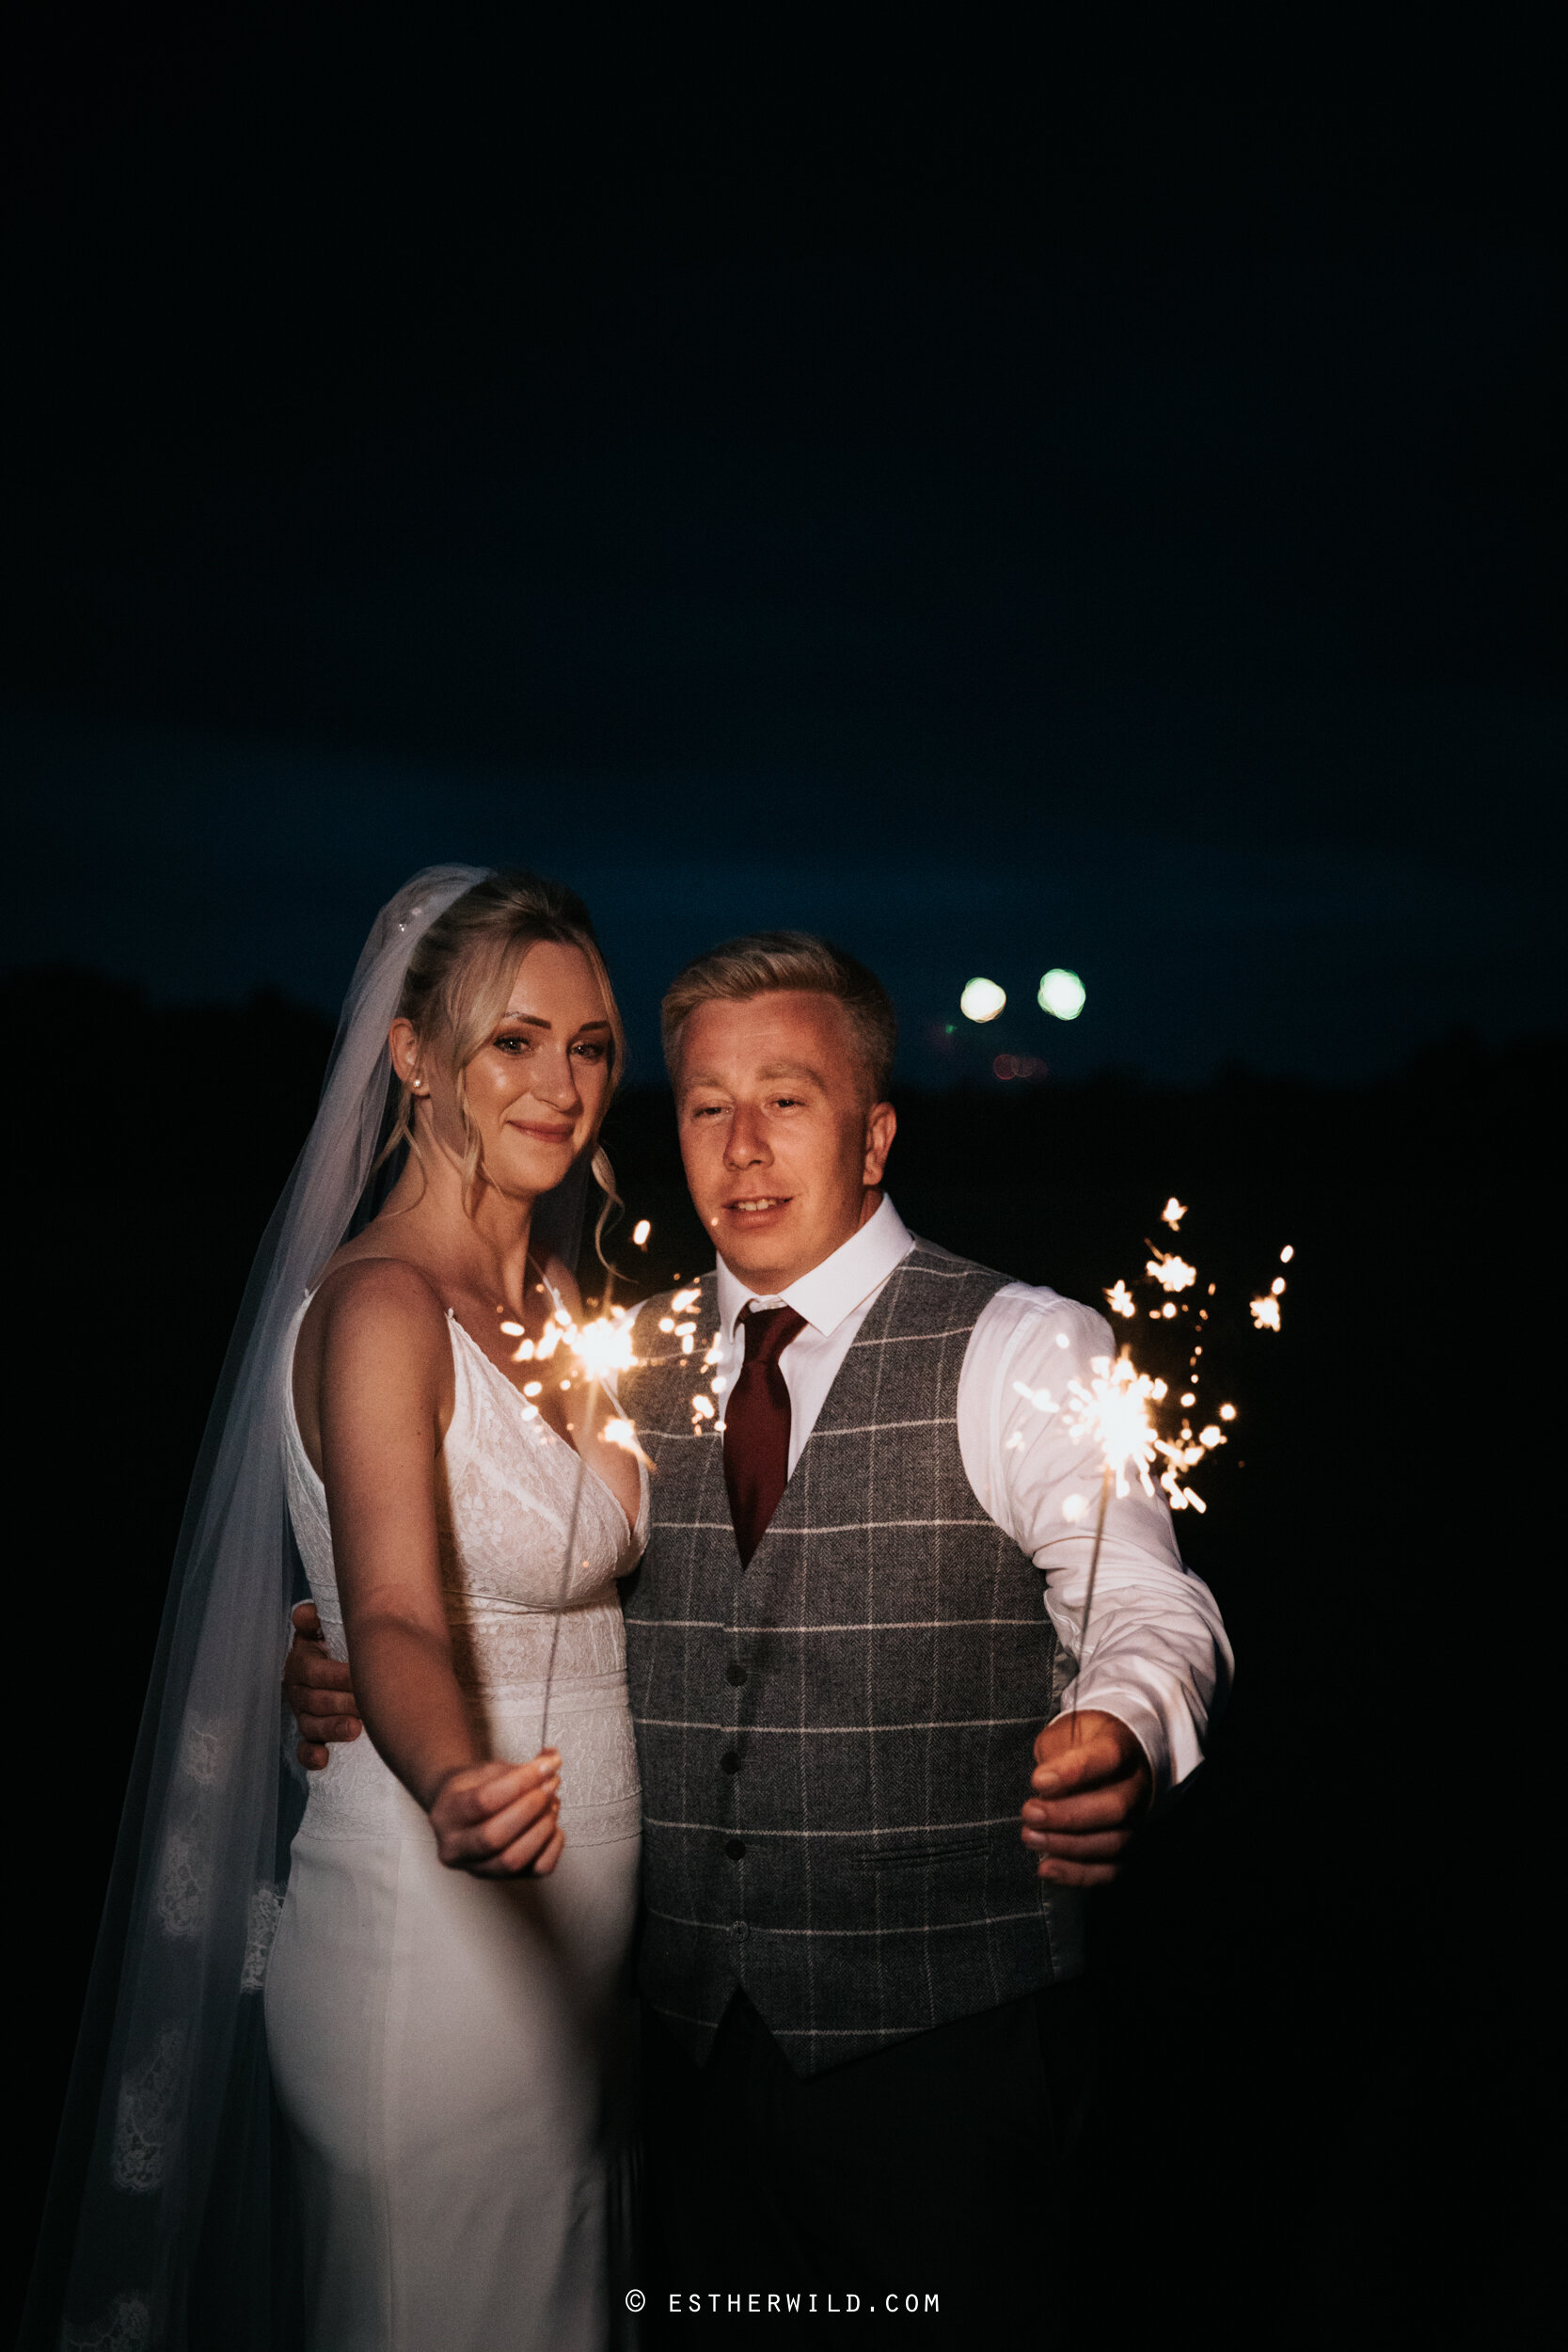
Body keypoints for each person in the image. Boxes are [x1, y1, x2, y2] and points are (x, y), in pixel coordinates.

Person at [290, 930, 1232, 2334]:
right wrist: (334, 1657)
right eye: (706, 1106)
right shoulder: (616, 1365)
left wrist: (1129, 1725)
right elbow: (488, 1574)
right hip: (679, 2068)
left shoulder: (1024, 1345)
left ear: (875, 1133)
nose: (741, 1148)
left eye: (787, 1099)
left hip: (944, 2076)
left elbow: (1151, 1602)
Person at [23, 866, 644, 2352]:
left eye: (592, 1045)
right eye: (515, 1041)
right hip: (437, 1970)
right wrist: (453, 1779)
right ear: (414, 1052)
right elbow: (395, 1618)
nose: (562, 1086)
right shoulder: (381, 1310)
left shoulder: (563, 1292)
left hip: (583, 1985)